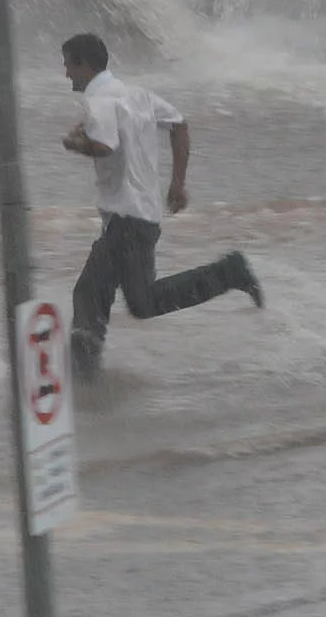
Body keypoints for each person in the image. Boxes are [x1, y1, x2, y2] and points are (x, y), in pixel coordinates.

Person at [59, 32, 262, 377]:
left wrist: (75, 143)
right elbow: (179, 124)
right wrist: (178, 182)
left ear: (84, 64)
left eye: (68, 65)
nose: (66, 74)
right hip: (139, 217)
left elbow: (105, 146)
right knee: (139, 302)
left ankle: (85, 374)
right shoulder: (136, 95)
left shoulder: (99, 103)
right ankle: (229, 272)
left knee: (91, 295)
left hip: (127, 220)